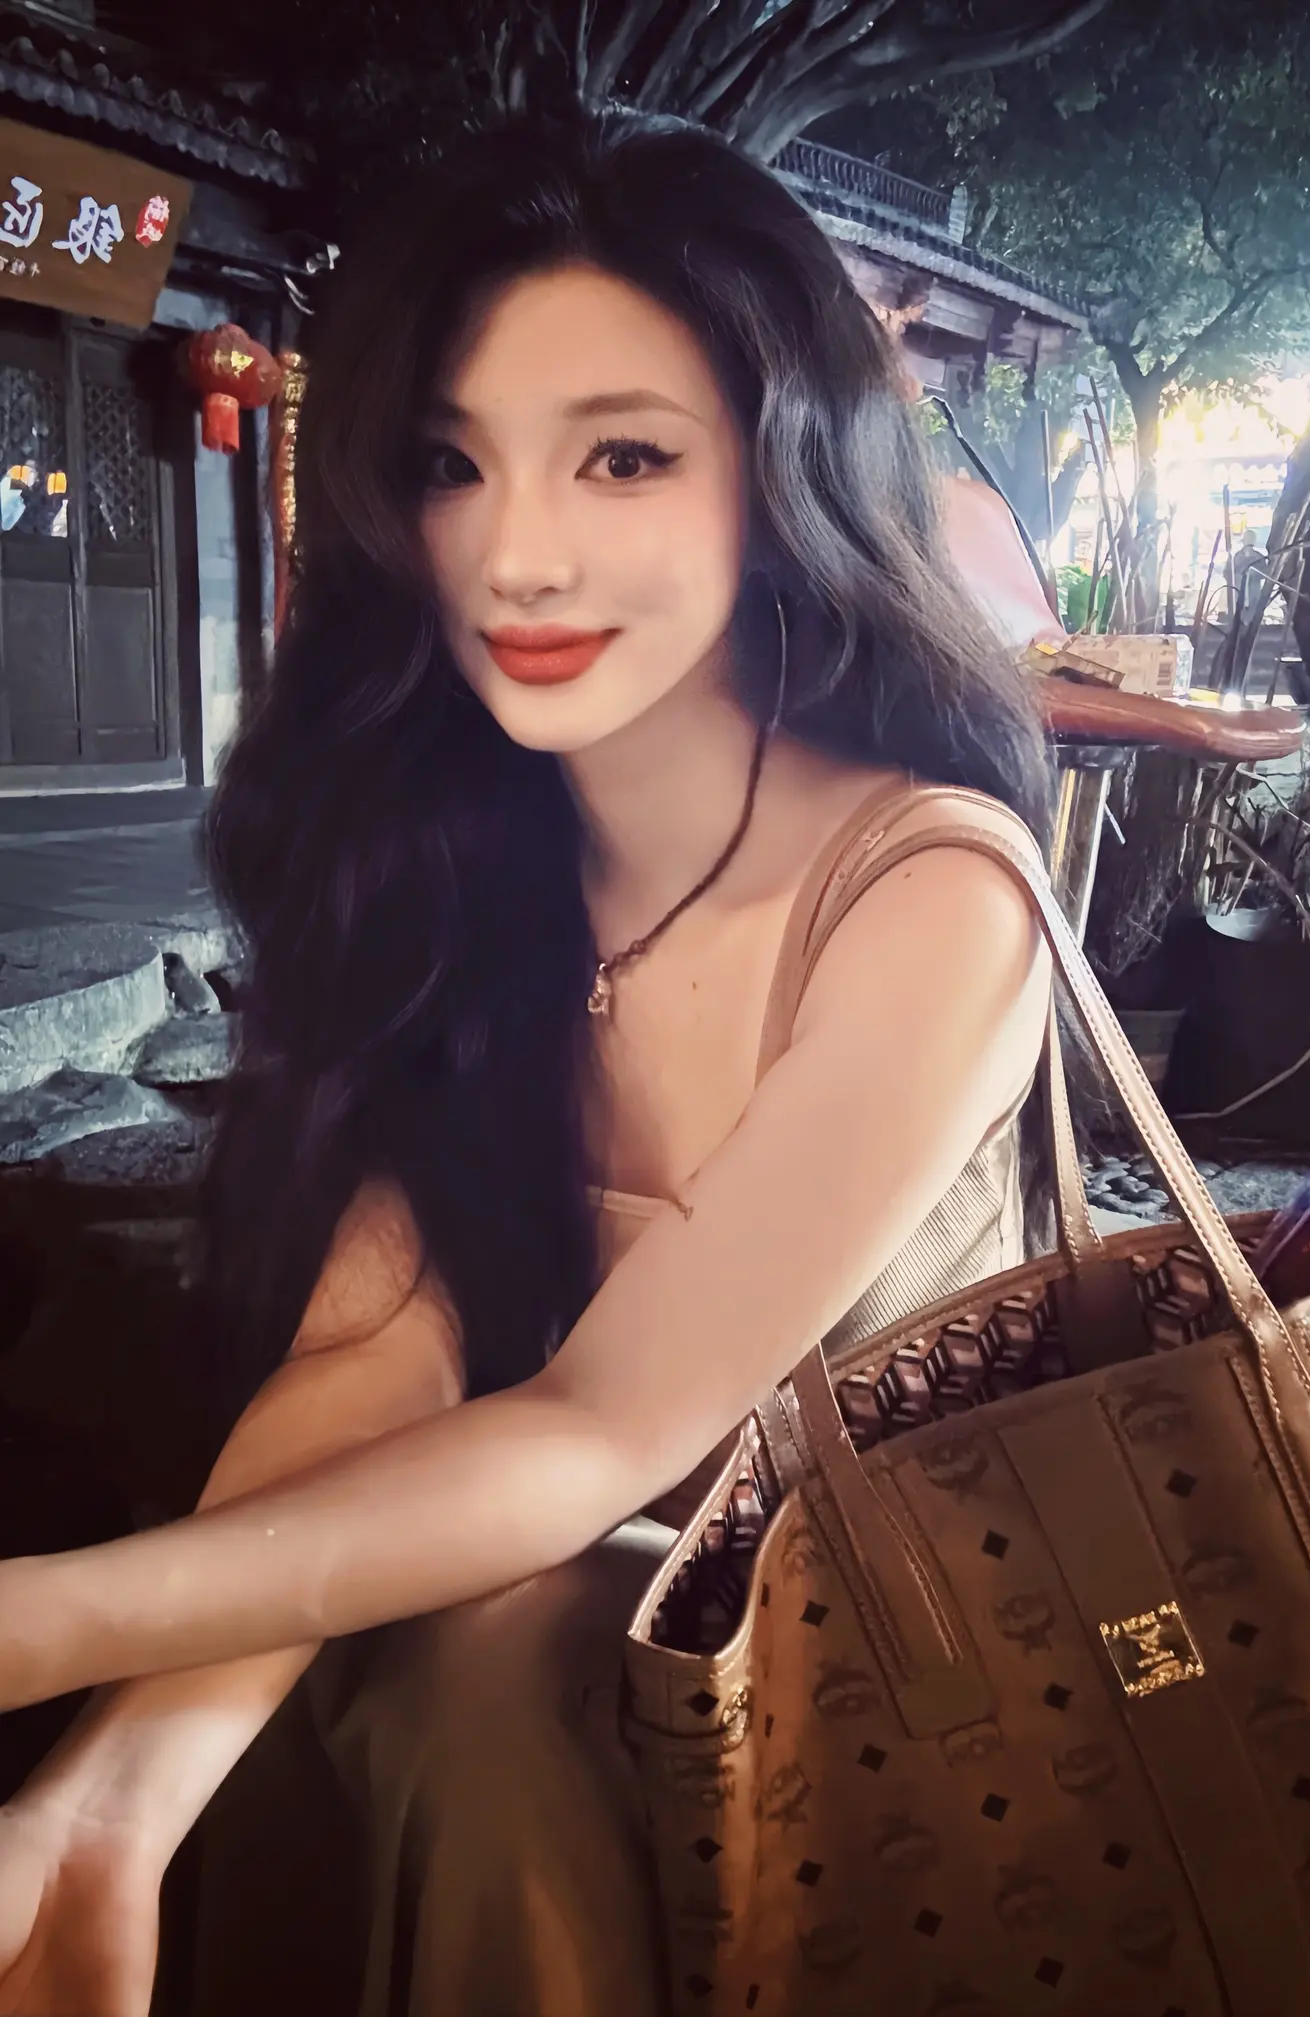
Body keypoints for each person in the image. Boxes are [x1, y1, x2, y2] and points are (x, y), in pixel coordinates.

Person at [0, 110, 1055, 2017]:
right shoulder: (465, 867)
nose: (518, 554)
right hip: (546, 1601)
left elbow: (598, 1430)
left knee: (485, 1672)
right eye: (450, 464)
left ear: (784, 475)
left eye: (623, 456)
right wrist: (113, 1796)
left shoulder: (929, 892)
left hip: (903, 1667)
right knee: (388, 1655)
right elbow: (378, 1359)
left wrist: (47, 1622)